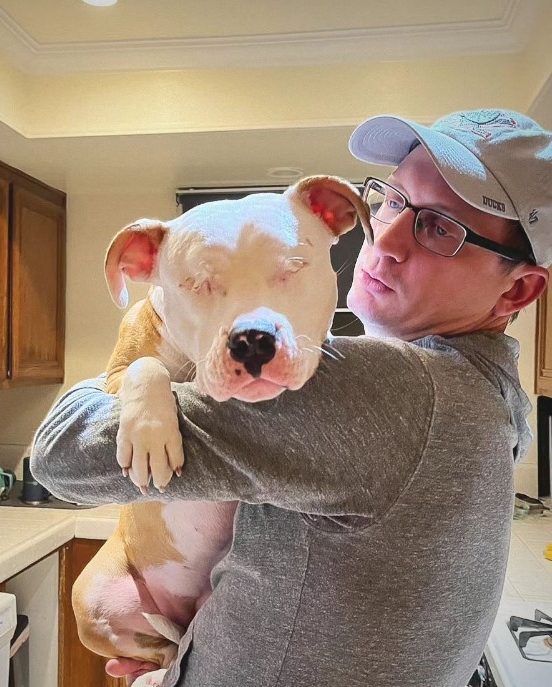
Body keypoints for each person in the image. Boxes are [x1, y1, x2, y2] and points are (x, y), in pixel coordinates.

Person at [31, 109, 552, 687]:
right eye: (394, 201)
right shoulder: (487, 395)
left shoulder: (390, 393)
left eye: (441, 229)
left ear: (520, 289)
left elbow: (64, 458)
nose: (388, 238)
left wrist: (147, 336)